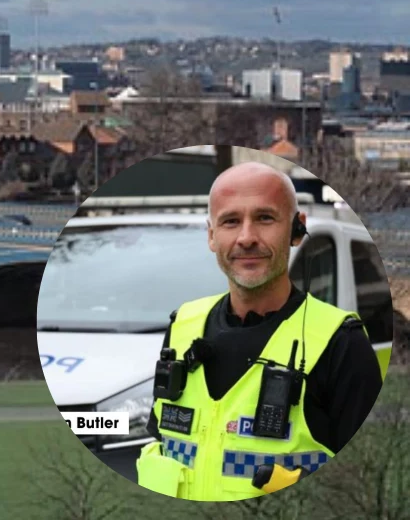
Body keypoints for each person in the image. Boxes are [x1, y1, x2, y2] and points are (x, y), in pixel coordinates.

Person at [136, 162, 383, 501]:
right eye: (230, 221)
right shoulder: (182, 326)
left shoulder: (342, 343)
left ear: (297, 230)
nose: (247, 237)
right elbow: (164, 443)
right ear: (211, 235)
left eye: (265, 218)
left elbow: (367, 488)